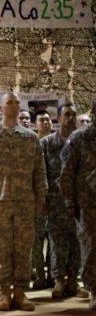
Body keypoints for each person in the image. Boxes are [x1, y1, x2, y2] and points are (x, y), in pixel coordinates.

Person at [0, 92, 47, 312]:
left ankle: (21, 292)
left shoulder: (30, 138)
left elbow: (39, 172)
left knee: (24, 248)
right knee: (1, 248)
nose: (13, 106)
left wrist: (40, 197)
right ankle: (4, 292)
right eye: (8, 103)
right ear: (1, 108)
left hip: (25, 201)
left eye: (16, 103)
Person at [41, 103, 89, 300]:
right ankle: (59, 280)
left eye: (73, 115)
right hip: (55, 202)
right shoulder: (47, 143)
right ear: (58, 118)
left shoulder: (81, 142)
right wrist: (43, 198)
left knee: (77, 243)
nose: (71, 118)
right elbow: (41, 173)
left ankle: (73, 281)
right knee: (57, 242)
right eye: (67, 114)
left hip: (78, 202)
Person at [60, 99, 96, 310]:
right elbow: (66, 174)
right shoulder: (80, 138)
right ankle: (94, 290)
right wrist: (70, 202)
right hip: (88, 204)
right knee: (91, 249)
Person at [32, 109, 54, 289]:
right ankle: (39, 275)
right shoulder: (31, 143)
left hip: (56, 200)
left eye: (48, 120)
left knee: (55, 240)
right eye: (41, 120)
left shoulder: (60, 142)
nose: (45, 123)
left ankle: (54, 275)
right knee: (36, 240)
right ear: (35, 124)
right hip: (37, 201)